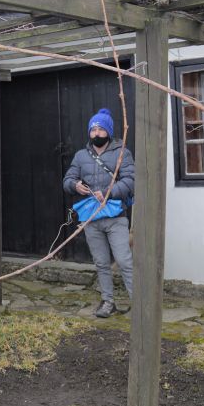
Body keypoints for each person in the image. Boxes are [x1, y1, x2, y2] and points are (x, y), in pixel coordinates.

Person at [63, 108, 135, 318]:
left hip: (116, 217)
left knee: (124, 261)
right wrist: (75, 185)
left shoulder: (122, 152)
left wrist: (109, 193)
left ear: (109, 132)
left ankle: (138, 302)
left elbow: (131, 181)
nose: (96, 133)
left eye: (101, 129)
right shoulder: (81, 155)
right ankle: (107, 302)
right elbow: (67, 180)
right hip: (92, 219)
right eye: (93, 129)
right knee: (101, 263)